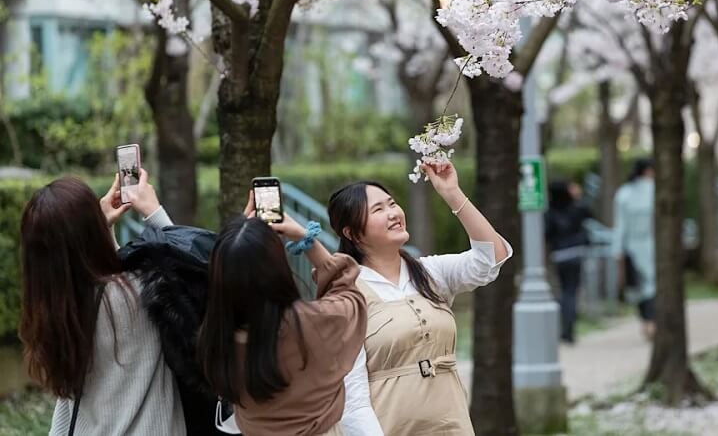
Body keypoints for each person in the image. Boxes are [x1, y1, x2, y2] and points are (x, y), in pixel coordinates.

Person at [329, 161, 513, 436]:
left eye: (392, 204)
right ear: (352, 232)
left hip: (451, 424)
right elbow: (352, 395)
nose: (393, 213)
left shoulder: (430, 273)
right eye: (379, 209)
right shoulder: (347, 293)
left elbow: (490, 260)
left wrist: (452, 193)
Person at [19, 173, 185, 435]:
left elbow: (99, 272)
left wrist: (100, 227)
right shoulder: (137, 291)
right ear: (90, 233)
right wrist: (154, 213)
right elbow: (190, 272)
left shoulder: (50, 308)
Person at [197, 196, 367, 436]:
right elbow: (349, 292)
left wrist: (241, 242)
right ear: (277, 268)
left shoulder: (214, 339)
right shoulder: (313, 323)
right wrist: (303, 238)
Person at [612, 158, 656, 340]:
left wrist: (617, 250)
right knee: (651, 285)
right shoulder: (654, 191)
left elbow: (620, 225)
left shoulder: (624, 193)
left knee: (640, 287)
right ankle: (652, 321)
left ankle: (646, 321)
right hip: (650, 244)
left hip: (632, 246)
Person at [545, 180, 592, 344]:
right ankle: (569, 330)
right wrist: (577, 196)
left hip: (559, 254)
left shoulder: (550, 211)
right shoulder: (576, 208)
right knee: (571, 292)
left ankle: (564, 329)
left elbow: (547, 233)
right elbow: (588, 213)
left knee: (564, 292)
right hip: (576, 253)